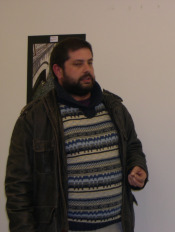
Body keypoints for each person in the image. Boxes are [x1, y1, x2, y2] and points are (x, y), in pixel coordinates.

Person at [5, 38, 148, 232]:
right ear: (58, 71)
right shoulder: (34, 118)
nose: (87, 69)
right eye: (78, 64)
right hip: (64, 227)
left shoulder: (115, 108)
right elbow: (17, 188)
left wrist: (137, 167)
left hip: (115, 225)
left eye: (90, 62)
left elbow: (132, 146)